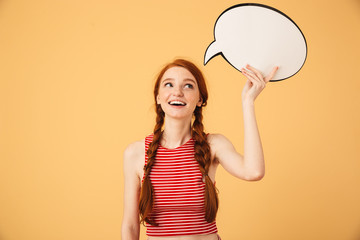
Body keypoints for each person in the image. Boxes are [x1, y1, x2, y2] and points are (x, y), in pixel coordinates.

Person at [121, 58, 278, 240]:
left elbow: (254, 171)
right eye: (169, 84)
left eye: (188, 86)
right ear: (158, 96)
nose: (177, 92)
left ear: (200, 100)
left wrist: (248, 102)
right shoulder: (136, 153)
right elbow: (131, 226)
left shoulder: (213, 145)